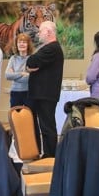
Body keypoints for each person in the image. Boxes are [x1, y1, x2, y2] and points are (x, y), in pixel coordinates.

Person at [26, 20, 64, 158]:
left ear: (48, 32)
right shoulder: (49, 48)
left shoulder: (51, 48)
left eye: (41, 30)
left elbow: (31, 62)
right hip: (43, 94)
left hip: (45, 94)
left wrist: (32, 65)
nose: (38, 33)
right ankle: (44, 152)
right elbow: (31, 63)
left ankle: (50, 155)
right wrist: (31, 65)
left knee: (47, 126)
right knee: (44, 125)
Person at [5, 33, 34, 107]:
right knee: (15, 117)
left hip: (29, 93)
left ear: (28, 45)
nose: (21, 44)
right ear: (16, 45)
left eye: (24, 42)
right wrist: (22, 73)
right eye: (19, 42)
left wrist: (14, 75)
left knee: (30, 117)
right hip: (15, 93)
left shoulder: (32, 58)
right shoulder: (13, 58)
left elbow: (30, 78)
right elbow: (7, 75)